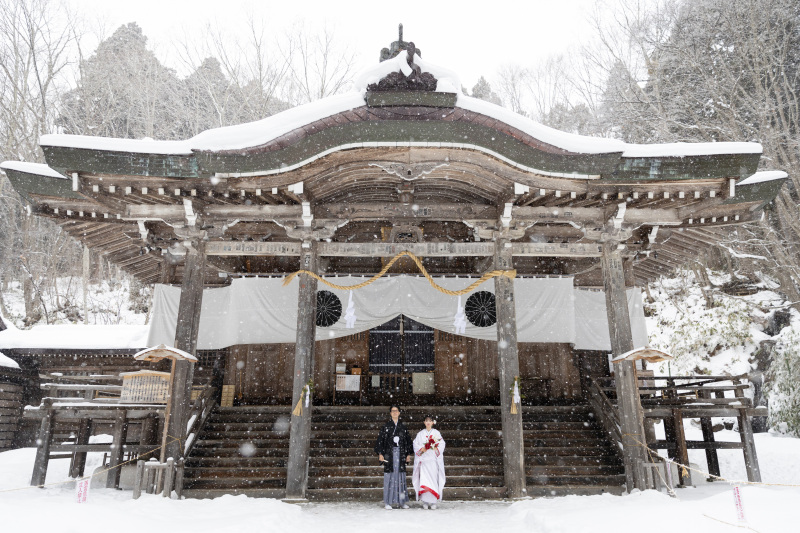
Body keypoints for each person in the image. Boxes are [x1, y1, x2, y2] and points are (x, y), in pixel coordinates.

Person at [374, 405, 413, 509]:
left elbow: (408, 441)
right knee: (389, 477)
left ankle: (401, 502)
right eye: (393, 411)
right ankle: (387, 502)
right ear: (390, 413)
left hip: (400, 454)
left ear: (399, 413)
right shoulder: (386, 426)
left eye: (396, 411)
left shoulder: (403, 427)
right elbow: (380, 441)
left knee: (401, 477)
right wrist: (381, 453)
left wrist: (408, 453)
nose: (395, 412)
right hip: (389, 454)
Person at [412, 414, 446, 509]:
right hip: (424, 461)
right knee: (425, 480)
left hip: (432, 460)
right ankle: (425, 501)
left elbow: (442, 444)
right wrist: (422, 449)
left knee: (433, 480)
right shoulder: (420, 434)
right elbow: (415, 444)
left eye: (429, 420)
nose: (428, 422)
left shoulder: (436, 433)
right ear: (424, 422)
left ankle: (433, 502)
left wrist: (435, 446)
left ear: (432, 422)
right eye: (426, 420)